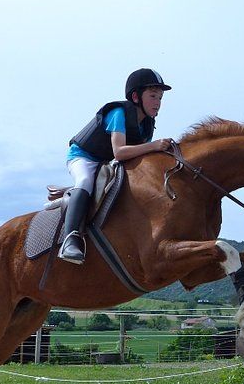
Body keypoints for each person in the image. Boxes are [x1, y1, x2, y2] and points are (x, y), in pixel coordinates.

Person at [59, 68, 173, 264]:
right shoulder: (118, 112)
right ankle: (71, 239)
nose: (158, 103)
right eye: (153, 96)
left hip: (106, 162)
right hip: (83, 157)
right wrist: (154, 146)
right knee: (86, 180)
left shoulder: (147, 124)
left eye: (160, 98)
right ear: (136, 97)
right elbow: (119, 151)